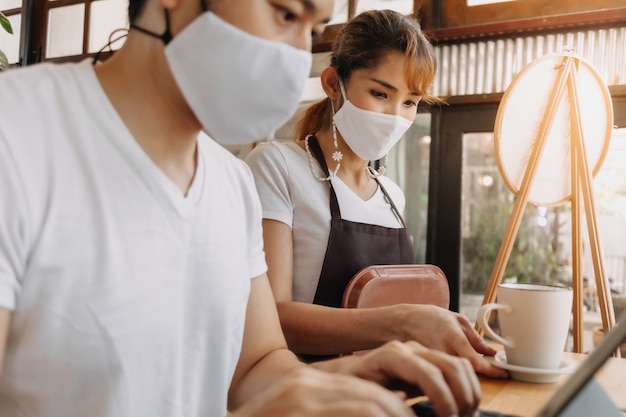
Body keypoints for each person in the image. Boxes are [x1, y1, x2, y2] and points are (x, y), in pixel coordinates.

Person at [0, 1, 484, 417]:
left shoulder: (229, 184)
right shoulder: (19, 134)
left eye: (311, 29)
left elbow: (257, 367)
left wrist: (357, 371)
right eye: (285, 13)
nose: (297, 56)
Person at [245, 9, 507, 378]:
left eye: (410, 102)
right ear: (333, 84)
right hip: (307, 391)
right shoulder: (277, 166)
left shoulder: (392, 196)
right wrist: (405, 321)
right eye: (380, 93)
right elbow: (272, 317)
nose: (394, 116)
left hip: (387, 388)